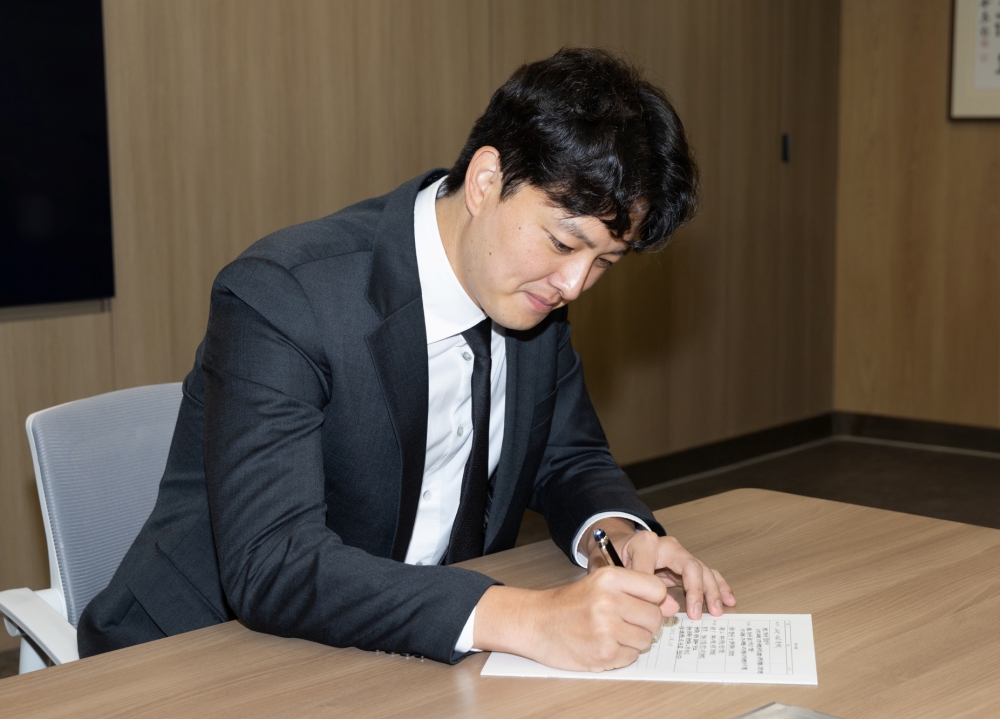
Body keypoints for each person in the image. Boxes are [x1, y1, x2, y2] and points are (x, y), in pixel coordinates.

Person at [78, 47, 736, 671]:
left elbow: (568, 458)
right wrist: (525, 617)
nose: (574, 285)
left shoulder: (530, 295)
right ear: (485, 181)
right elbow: (273, 562)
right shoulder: (286, 296)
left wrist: (617, 537)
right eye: (564, 244)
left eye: (604, 263)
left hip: (396, 649)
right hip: (200, 652)